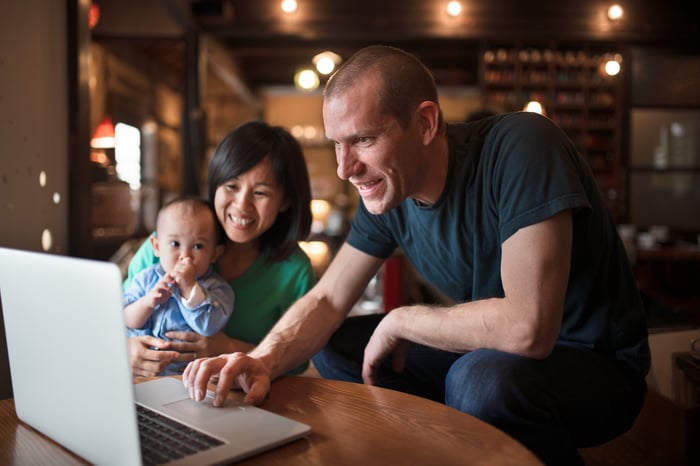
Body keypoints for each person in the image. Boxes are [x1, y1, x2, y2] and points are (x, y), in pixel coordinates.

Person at [182, 45, 650, 466]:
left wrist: (401, 320)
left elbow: (528, 328)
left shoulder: (522, 145)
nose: (346, 169)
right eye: (337, 145)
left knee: (478, 379)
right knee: (338, 343)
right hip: (494, 355)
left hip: (594, 366)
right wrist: (262, 360)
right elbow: (328, 300)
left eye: (363, 140)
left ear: (425, 123)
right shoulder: (390, 192)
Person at [125, 120, 314, 379]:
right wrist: (125, 349)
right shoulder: (166, 246)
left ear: (285, 202)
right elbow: (110, 317)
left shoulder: (294, 270)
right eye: (231, 187)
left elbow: (297, 362)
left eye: (260, 193)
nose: (242, 205)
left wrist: (228, 348)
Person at [123, 196, 234, 375]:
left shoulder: (217, 288)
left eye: (198, 246)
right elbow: (126, 319)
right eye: (175, 244)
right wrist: (147, 303)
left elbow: (209, 326)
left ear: (215, 253)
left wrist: (189, 287)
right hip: (140, 374)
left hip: (186, 378)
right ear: (157, 246)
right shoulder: (145, 279)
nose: (185, 256)